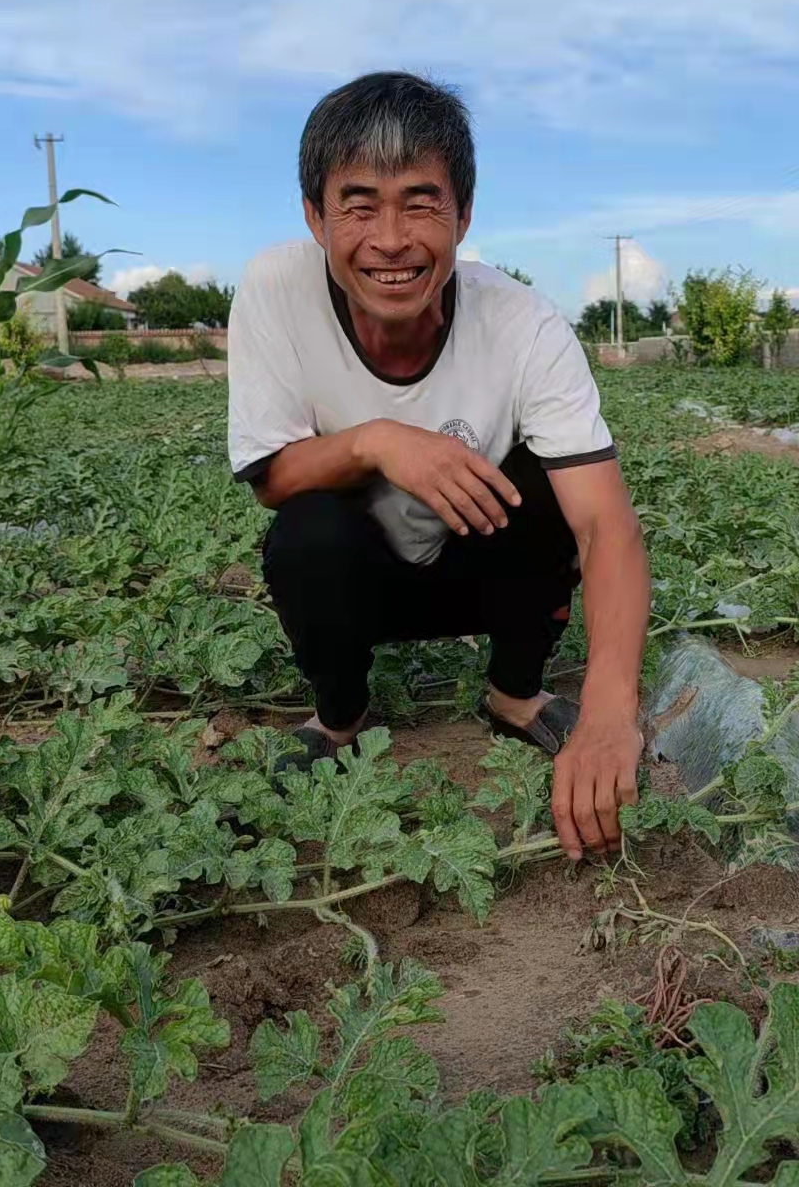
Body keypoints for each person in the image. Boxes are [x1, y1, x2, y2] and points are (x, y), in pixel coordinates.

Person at [227, 71, 650, 862]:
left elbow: (606, 524)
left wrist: (608, 709)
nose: (391, 239)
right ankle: (342, 715)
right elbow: (271, 480)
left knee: (554, 489)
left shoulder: (524, 323)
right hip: (362, 579)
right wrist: (375, 441)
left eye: (421, 203)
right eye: (358, 205)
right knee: (306, 527)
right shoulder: (274, 289)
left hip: (478, 568)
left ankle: (515, 695)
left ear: (464, 215)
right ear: (315, 217)